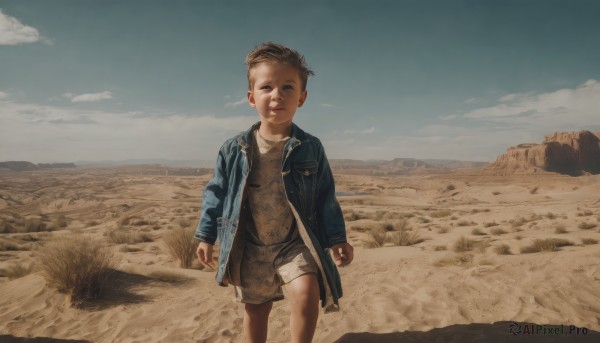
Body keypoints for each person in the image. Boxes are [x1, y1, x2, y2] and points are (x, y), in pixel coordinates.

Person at [194, 42, 354, 343]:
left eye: (288, 87)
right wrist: (206, 235)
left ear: (302, 98)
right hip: (250, 244)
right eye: (267, 87)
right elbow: (216, 191)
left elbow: (325, 195)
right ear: (251, 97)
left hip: (294, 242)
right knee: (256, 310)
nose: (277, 95)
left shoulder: (311, 147)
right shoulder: (234, 149)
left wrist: (337, 238)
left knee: (308, 293)